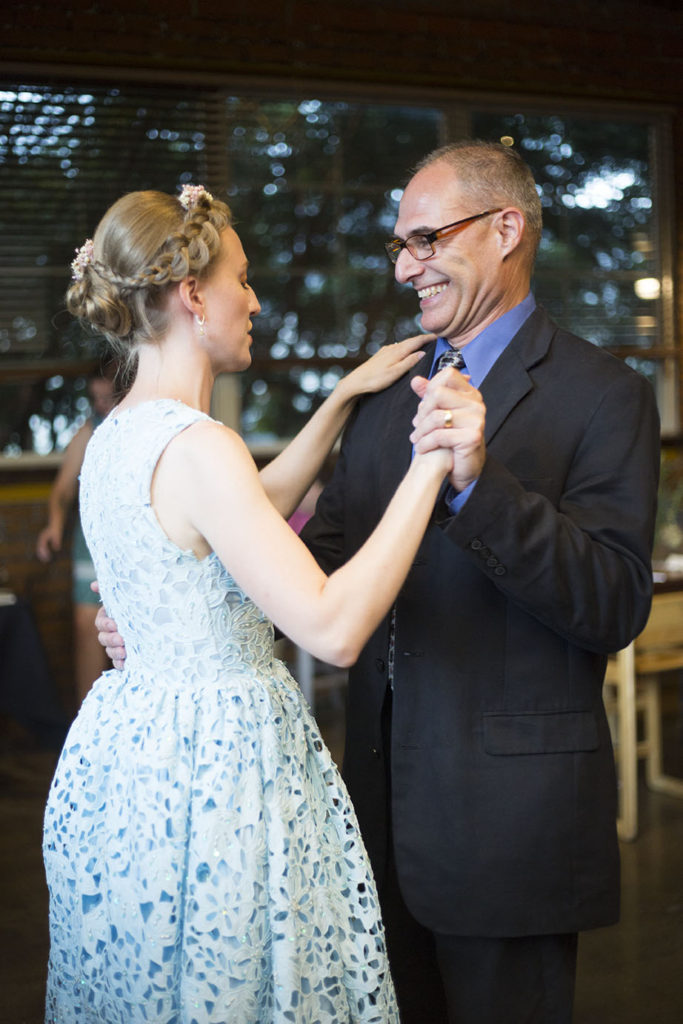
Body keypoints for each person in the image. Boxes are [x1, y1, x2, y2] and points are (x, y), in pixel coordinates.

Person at [95, 144, 661, 1024]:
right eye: (400, 245)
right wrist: (174, 610)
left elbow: (616, 602)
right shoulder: (385, 393)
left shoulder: (604, 395)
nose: (405, 267)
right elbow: (304, 560)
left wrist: (478, 482)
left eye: (426, 238)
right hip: (364, 825)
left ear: (506, 229)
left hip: (508, 832)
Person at [43, 184, 453, 1022]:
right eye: (243, 277)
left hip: (134, 760)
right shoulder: (199, 446)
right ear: (193, 294)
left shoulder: (117, 435)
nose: (255, 300)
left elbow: (237, 518)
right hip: (217, 769)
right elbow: (333, 629)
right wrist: (432, 463)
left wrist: (337, 401)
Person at [36, 370, 117, 703]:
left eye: (106, 398)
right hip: (91, 542)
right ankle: (88, 714)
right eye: (94, 399)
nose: (100, 405)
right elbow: (62, 490)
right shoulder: (90, 429)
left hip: (129, 540)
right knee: (87, 626)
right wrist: (54, 525)